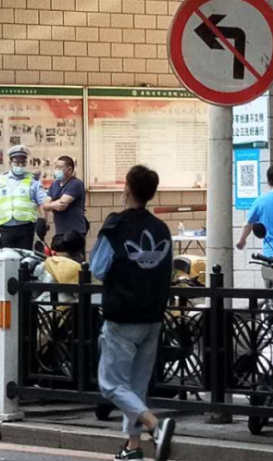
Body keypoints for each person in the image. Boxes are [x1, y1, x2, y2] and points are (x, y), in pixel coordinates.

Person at [90, 165, 175, 461]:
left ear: (126, 187)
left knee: (112, 384)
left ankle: (155, 426)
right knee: (136, 386)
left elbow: (98, 267)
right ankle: (133, 446)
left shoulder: (115, 226)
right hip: (153, 315)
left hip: (122, 315)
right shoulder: (161, 228)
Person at [0, 145, 48, 250]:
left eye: (23, 162)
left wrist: (43, 223)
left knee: (25, 257)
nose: (20, 165)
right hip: (5, 228)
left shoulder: (33, 181)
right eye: (16, 162)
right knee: (5, 257)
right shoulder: (1, 179)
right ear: (10, 162)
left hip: (26, 228)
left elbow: (42, 202)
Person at [44, 156, 88, 262]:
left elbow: (62, 205)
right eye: (56, 167)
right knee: (58, 263)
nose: (56, 170)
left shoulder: (75, 184)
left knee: (75, 264)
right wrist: (53, 205)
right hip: (60, 231)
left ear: (69, 169)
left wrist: (51, 204)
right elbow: (45, 206)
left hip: (75, 232)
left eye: (60, 168)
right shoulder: (54, 184)